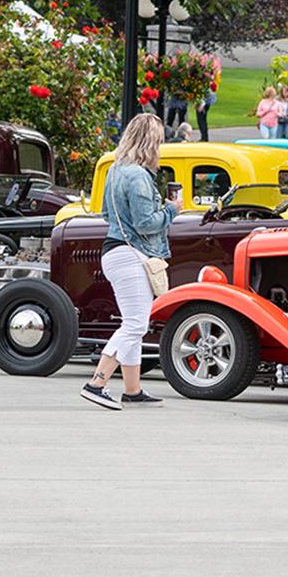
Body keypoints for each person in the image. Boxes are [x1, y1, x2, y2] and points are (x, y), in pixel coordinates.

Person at [83, 113, 177, 410]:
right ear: (150, 142)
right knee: (135, 325)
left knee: (133, 322)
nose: (160, 147)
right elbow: (147, 223)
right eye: (159, 141)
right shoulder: (138, 175)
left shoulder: (114, 170)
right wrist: (172, 210)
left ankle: (133, 390)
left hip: (114, 251)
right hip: (131, 253)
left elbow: (107, 215)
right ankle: (97, 383)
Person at [195, 77, 217, 144]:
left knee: (201, 120)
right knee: (202, 120)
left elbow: (205, 91)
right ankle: (204, 137)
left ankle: (204, 138)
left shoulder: (204, 80)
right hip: (205, 101)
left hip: (204, 101)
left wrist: (202, 103)